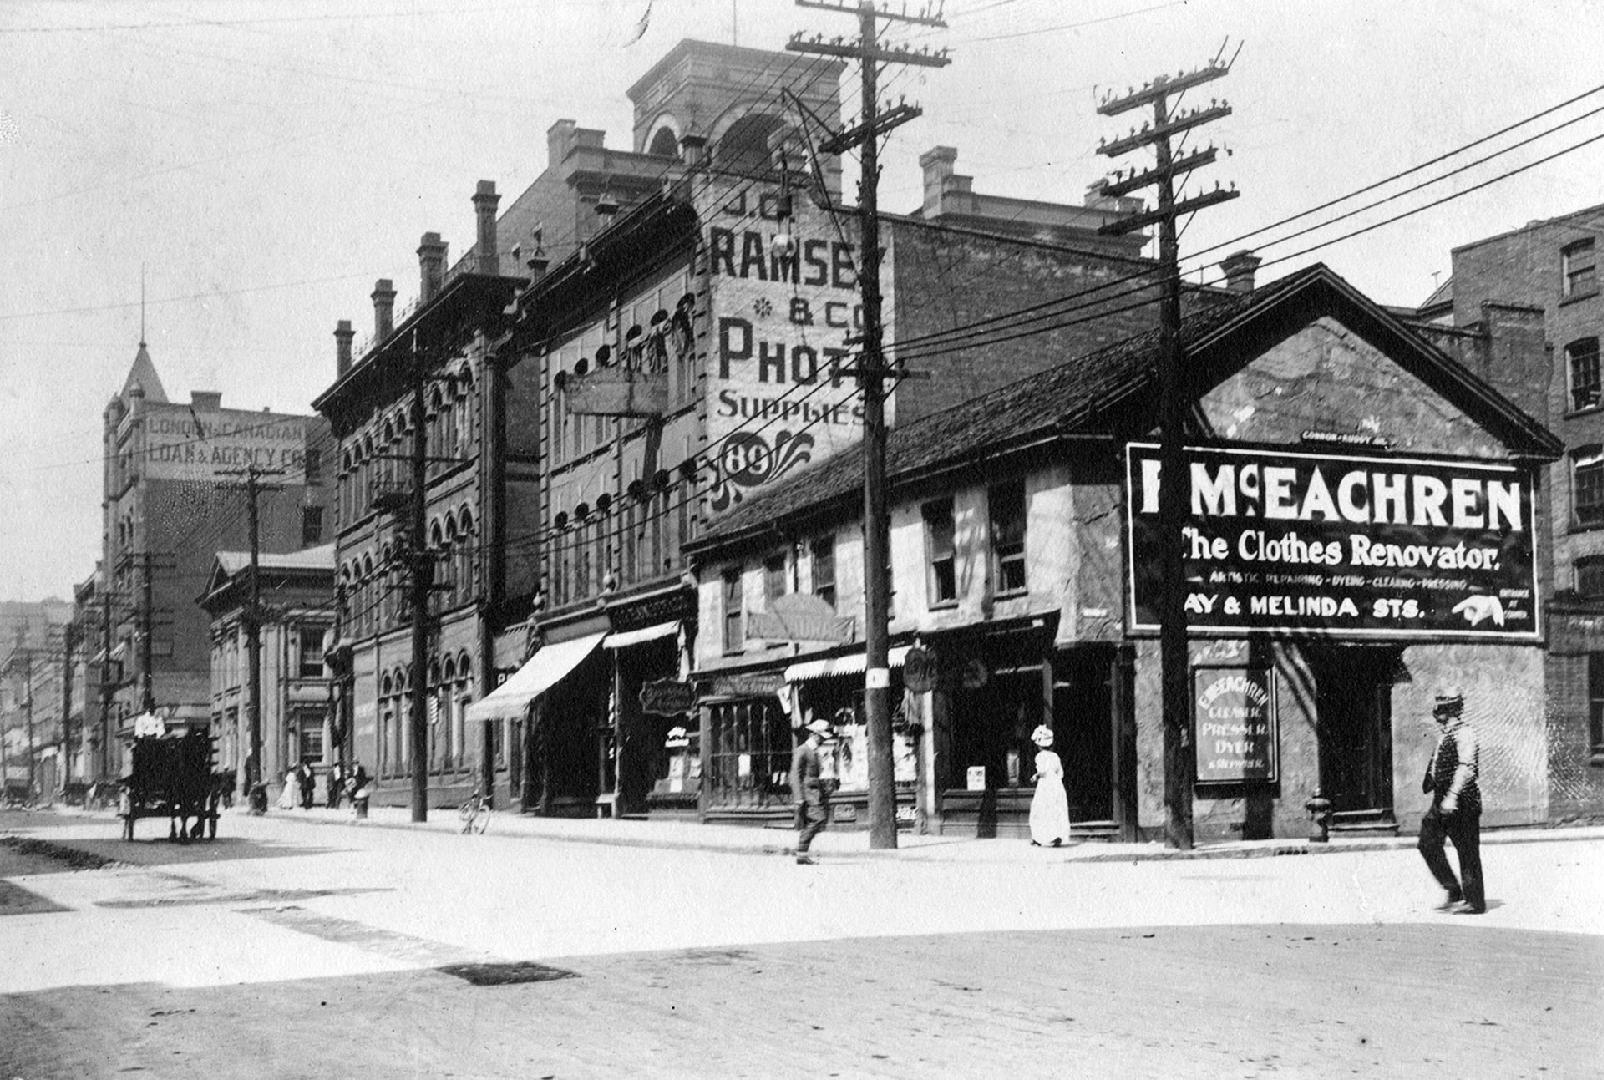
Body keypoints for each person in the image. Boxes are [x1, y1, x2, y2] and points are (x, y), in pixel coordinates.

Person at [1418, 686, 1485, 914]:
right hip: (1441, 798)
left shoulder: (1465, 733)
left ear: (1452, 709)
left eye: (1441, 709)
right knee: (1427, 842)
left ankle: (1474, 901)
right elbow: (1438, 764)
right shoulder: (1445, 735)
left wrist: (1453, 797)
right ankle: (1453, 889)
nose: (1437, 713)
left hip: (1462, 800)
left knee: (1467, 850)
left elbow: (1467, 768)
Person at [790, 716, 832, 865]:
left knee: (819, 819)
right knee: (818, 818)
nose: (822, 740)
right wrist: (798, 797)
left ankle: (802, 853)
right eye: (821, 737)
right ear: (814, 735)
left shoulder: (813, 751)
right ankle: (801, 850)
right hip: (807, 792)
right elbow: (795, 774)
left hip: (815, 791)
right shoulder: (803, 750)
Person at [1028, 724, 1071, 847]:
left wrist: (1035, 776)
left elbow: (1043, 771)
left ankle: (1038, 837)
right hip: (1056, 785)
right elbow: (1060, 772)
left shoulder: (1040, 756)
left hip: (1045, 786)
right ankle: (1057, 836)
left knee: (1040, 810)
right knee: (1055, 810)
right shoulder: (1055, 756)